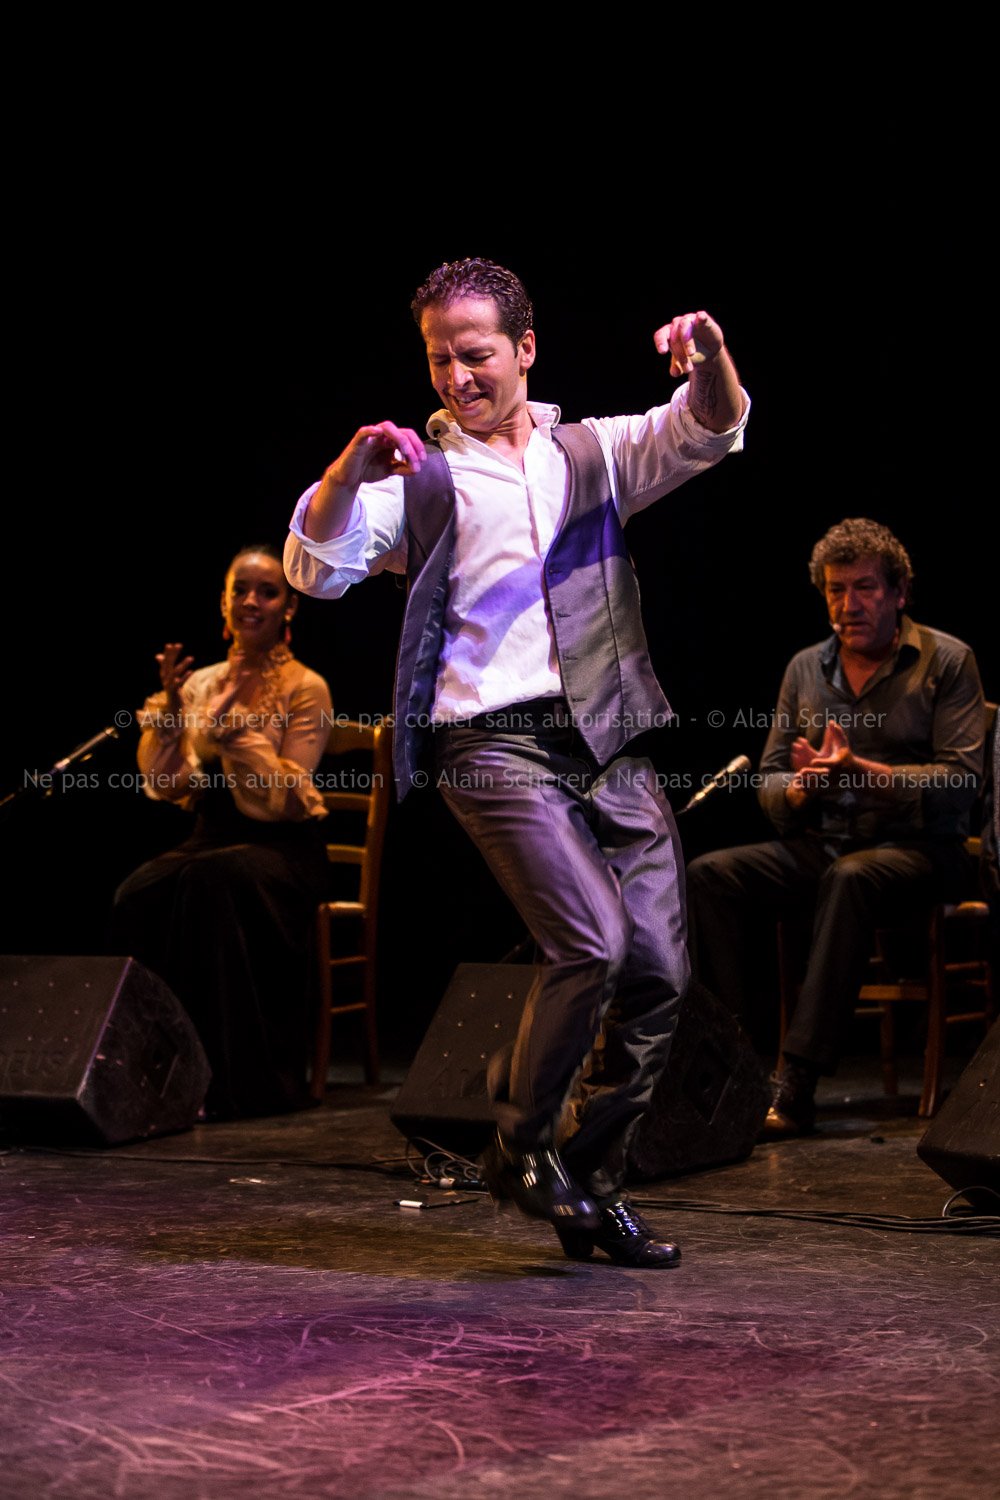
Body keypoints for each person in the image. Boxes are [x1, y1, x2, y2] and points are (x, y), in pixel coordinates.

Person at [285, 257, 749, 1267]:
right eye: (438, 358)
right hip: (490, 740)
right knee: (591, 940)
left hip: (607, 732)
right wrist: (346, 473)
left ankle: (592, 1183)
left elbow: (709, 428)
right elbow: (315, 571)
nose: (456, 376)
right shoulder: (421, 475)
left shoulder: (591, 453)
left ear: (524, 348)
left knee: (660, 972)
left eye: (476, 353)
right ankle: (522, 1140)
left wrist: (709, 358)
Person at [686, 518, 985, 1136]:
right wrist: (800, 788)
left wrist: (862, 772)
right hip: (825, 844)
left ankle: (796, 1085)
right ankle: (735, 1060)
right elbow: (769, 778)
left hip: (923, 851)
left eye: (865, 588)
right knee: (709, 875)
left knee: (852, 877)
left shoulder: (947, 661)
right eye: (835, 590)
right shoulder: (805, 669)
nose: (849, 605)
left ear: (899, 592)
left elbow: (961, 781)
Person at [112, 545, 333, 1119]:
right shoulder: (201, 684)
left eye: (268, 592)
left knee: (210, 882)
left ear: (289, 608)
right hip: (211, 839)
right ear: (223, 602)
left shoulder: (306, 687)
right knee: (138, 891)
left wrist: (235, 731)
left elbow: (288, 800)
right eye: (241, 590)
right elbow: (170, 785)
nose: (251, 602)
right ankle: (159, 1072)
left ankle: (240, 1082)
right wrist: (169, 718)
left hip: (283, 849)